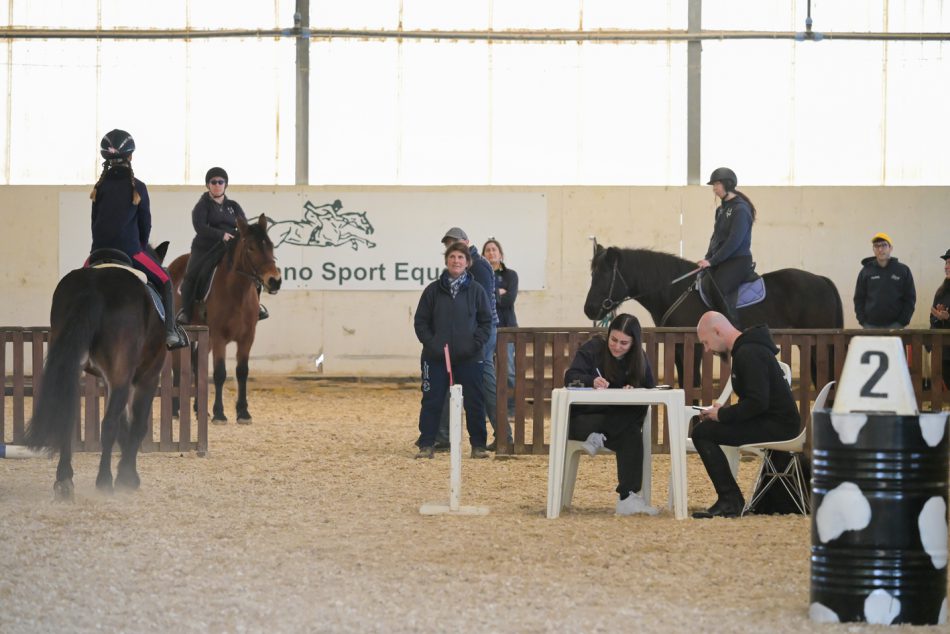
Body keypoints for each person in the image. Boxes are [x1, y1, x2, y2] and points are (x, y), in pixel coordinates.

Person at [690, 311, 800, 518]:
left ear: (717, 331)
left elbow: (757, 402)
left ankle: (730, 500)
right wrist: (721, 413)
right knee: (706, 429)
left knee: (702, 433)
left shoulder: (748, 353)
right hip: (778, 421)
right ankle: (730, 499)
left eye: (706, 342)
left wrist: (722, 415)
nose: (707, 349)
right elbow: (756, 401)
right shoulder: (749, 348)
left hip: (778, 426)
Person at [90, 129, 187, 350]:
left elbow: (94, 223)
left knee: (80, 278)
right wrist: (140, 248)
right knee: (165, 280)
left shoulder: (99, 188)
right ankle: (170, 332)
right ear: (130, 156)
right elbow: (145, 226)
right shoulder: (138, 187)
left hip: (98, 251)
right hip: (130, 251)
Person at [563, 313, 659, 516]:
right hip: (585, 421)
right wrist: (590, 381)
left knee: (634, 423)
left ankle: (627, 498)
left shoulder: (638, 358)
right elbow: (570, 378)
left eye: (624, 343)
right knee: (631, 430)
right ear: (608, 335)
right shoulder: (593, 348)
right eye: (613, 340)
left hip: (612, 427)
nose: (616, 346)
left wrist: (633, 388)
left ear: (634, 343)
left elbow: (649, 388)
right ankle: (628, 497)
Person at [413, 242, 492, 459]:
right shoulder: (432, 291)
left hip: (470, 357)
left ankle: (478, 446)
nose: (456, 261)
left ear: (467, 262)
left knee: (474, 401)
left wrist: (475, 345)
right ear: (446, 260)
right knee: (432, 400)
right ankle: (427, 444)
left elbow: (486, 322)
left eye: (460, 257)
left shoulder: (477, 291)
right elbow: (421, 322)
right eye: (452, 257)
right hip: (436, 358)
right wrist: (433, 344)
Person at [433, 227, 501, 450]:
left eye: (456, 242)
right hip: (471, 332)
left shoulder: (478, 265)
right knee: (453, 378)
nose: (452, 247)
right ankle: (444, 434)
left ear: (467, 242)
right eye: (449, 244)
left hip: (480, 332)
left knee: (483, 380)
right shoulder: (469, 265)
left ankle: (503, 433)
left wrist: (473, 338)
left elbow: (480, 305)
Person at [176, 167, 268, 325]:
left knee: (251, 267)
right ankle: (186, 311)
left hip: (229, 246)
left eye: (220, 182)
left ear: (226, 184)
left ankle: (256, 306)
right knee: (192, 274)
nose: (217, 185)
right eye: (213, 182)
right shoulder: (202, 206)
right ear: (208, 185)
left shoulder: (233, 206)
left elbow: (243, 225)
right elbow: (200, 227)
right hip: (205, 247)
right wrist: (221, 235)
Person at [697, 167, 756, 329]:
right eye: (713, 185)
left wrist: (713, 261)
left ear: (728, 184)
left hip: (738, 260)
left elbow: (734, 241)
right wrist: (707, 259)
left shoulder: (740, 209)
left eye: (717, 184)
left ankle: (733, 328)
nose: (714, 189)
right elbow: (715, 238)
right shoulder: (721, 209)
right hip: (723, 260)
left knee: (718, 288)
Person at [483, 237, 518, 449]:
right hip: (488, 329)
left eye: (494, 249)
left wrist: (494, 294)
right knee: (488, 370)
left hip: (507, 329)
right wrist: (498, 292)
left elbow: (509, 300)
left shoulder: (510, 275)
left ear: (500, 254)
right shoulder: (482, 274)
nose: (491, 253)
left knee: (509, 370)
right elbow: (486, 300)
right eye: (487, 250)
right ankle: (493, 408)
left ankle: (511, 406)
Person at [853, 232, 916, 329]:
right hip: (870, 327)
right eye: (876, 246)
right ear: (873, 249)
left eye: (884, 245)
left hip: (896, 327)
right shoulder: (866, 271)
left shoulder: (903, 270)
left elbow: (910, 299)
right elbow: (859, 298)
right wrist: (863, 322)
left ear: (891, 248)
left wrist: (901, 322)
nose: (880, 249)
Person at [929, 248, 950, 389]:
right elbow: (932, 318)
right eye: (946, 263)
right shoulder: (941, 292)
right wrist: (938, 318)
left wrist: (948, 318)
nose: (946, 267)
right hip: (944, 351)